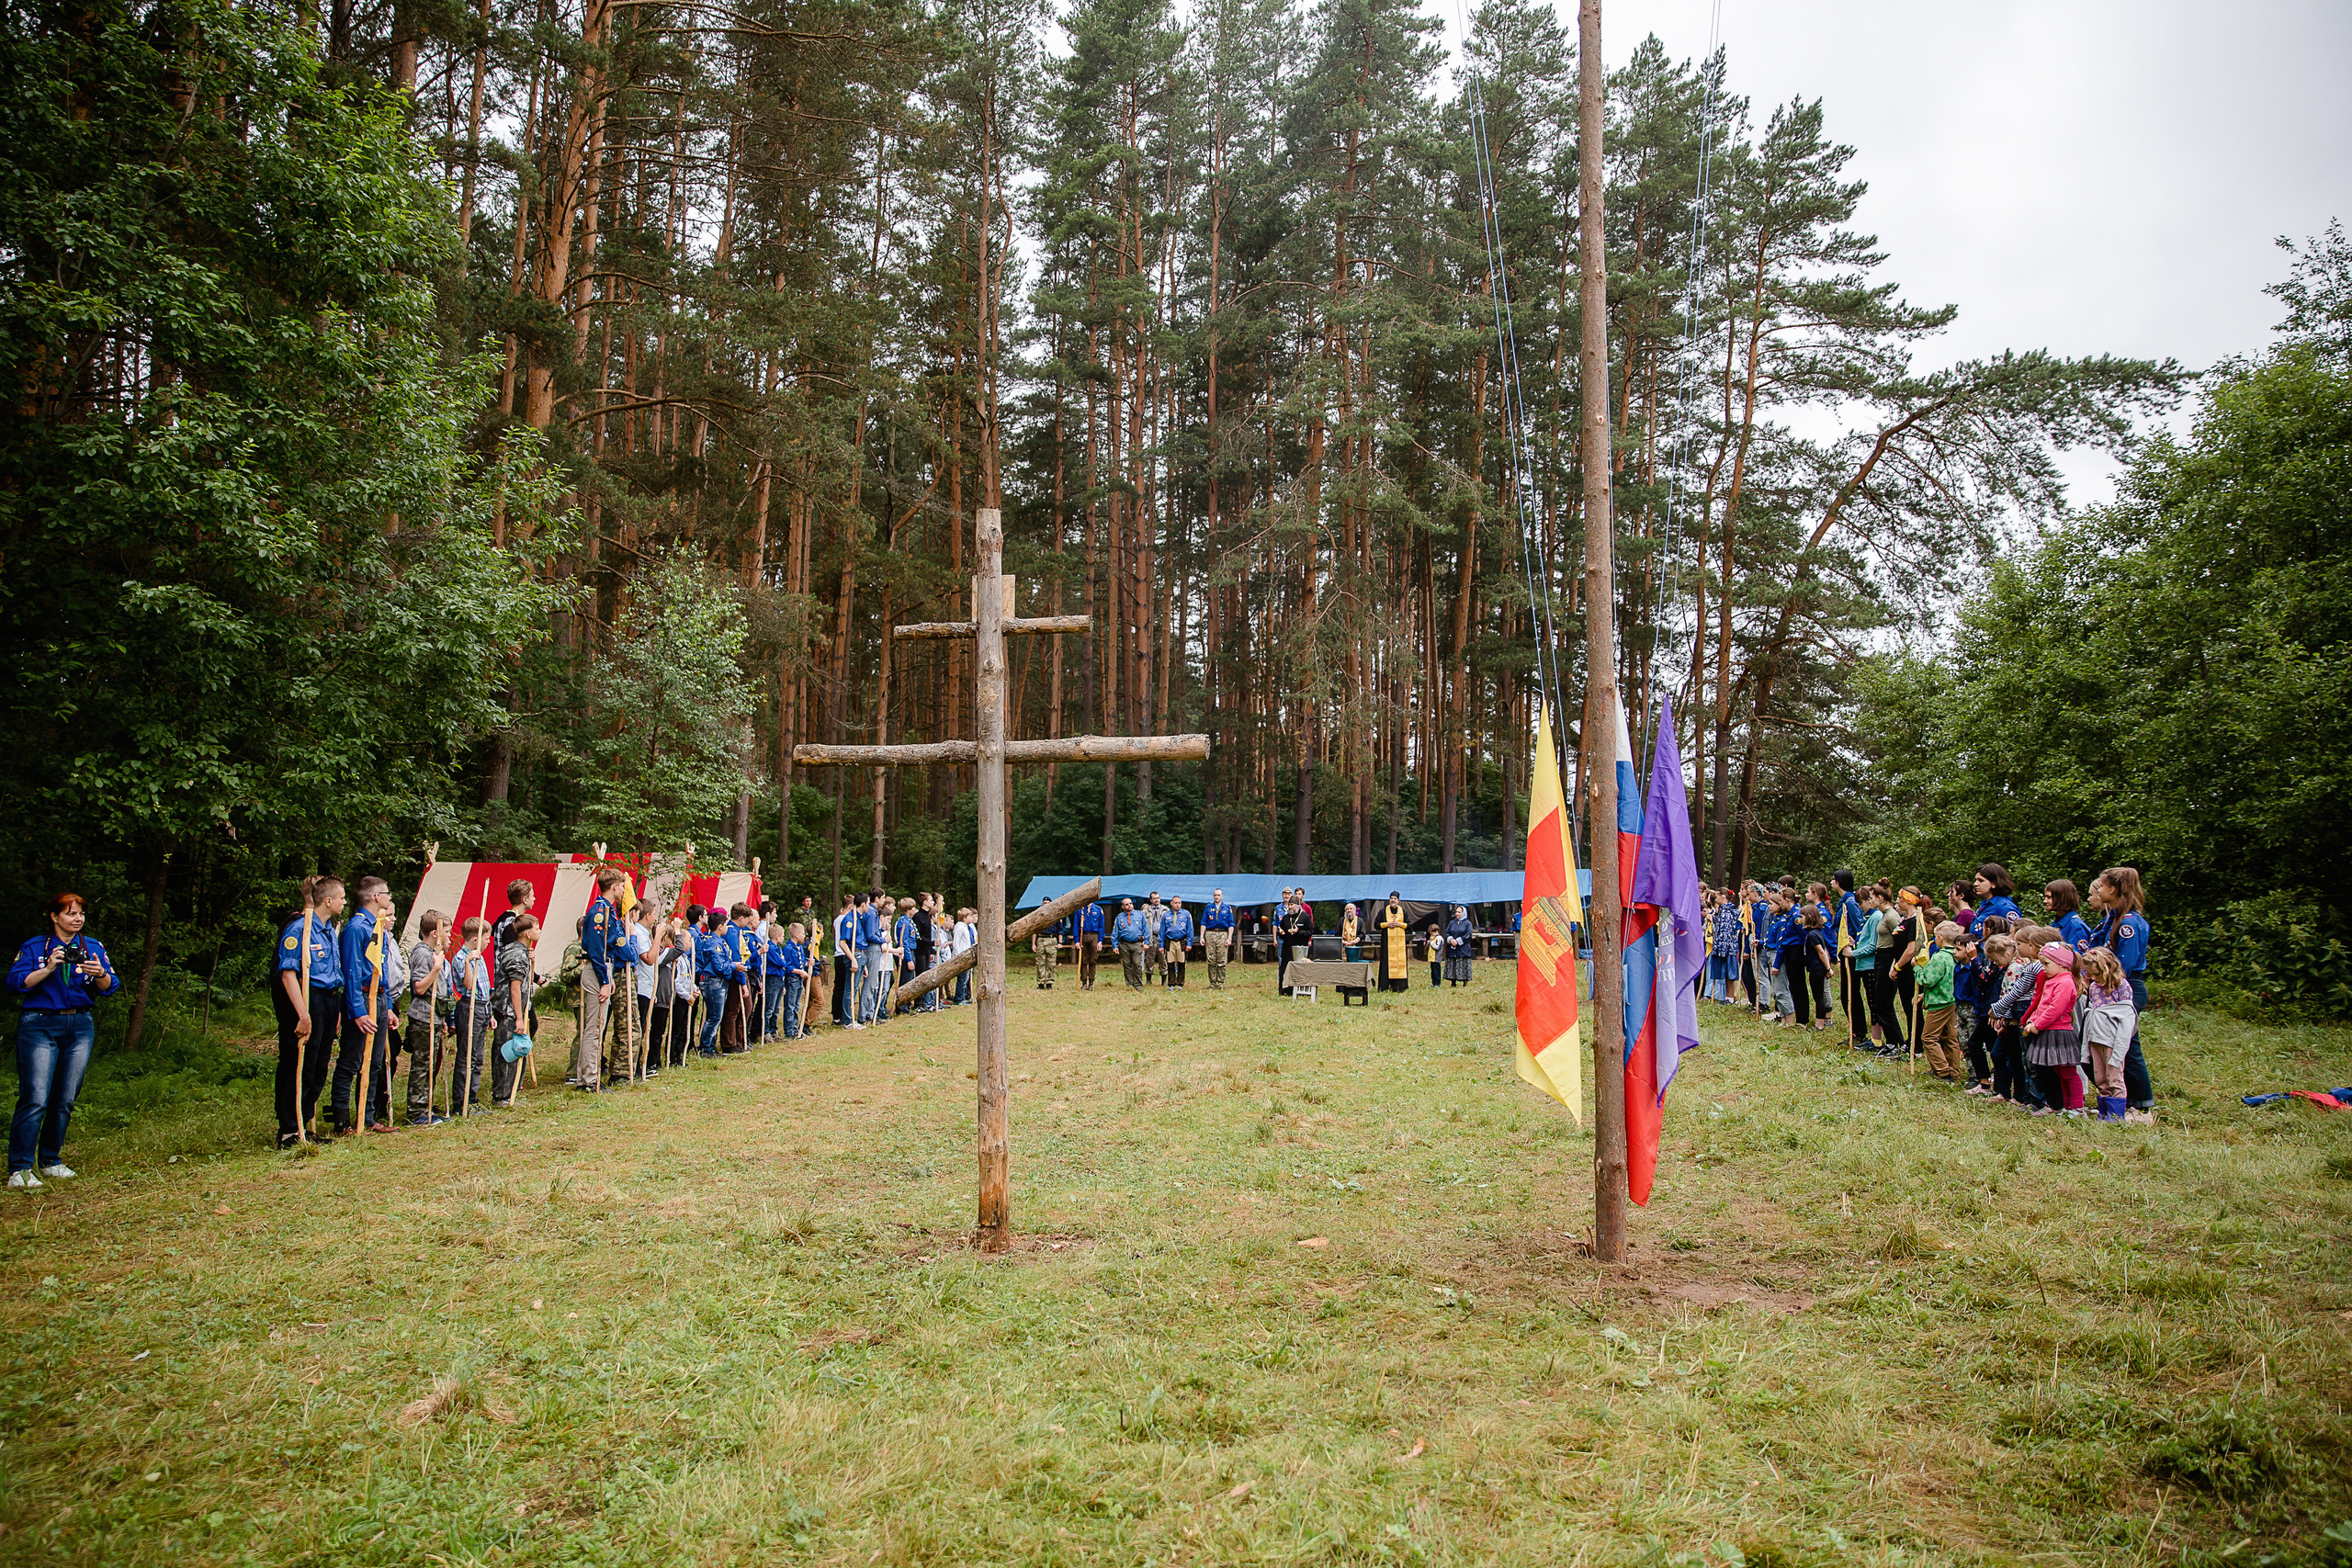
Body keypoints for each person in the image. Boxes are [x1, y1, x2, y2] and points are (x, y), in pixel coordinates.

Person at [6, 892, 119, 1186]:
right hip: (40, 1024)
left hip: (80, 1025)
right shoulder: (35, 947)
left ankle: (50, 1161)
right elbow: (16, 983)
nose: (77, 919)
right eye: (70, 914)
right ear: (54, 917)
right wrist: (48, 968)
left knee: (65, 1098)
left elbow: (110, 986)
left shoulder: (92, 947)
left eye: (81, 914)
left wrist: (99, 973)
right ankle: (19, 1169)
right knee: (35, 1097)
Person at [272, 876, 345, 1147]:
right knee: (299, 1065)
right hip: (308, 1000)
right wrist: (303, 1015)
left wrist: (335, 1012)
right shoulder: (299, 930)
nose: (344, 902)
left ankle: (305, 1124)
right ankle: (290, 1130)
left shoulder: (329, 929)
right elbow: (288, 975)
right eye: (341, 897)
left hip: (329, 1001)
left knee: (318, 1066)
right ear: (328, 901)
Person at [2087, 866, 2155, 1122]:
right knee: (2106, 1048)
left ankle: (2142, 1105)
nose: (2098, 890)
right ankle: (2118, 1103)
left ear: (2113, 889)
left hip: (2124, 989)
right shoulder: (2114, 918)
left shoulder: (2129, 924)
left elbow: (2121, 967)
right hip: (2107, 988)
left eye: (2102, 886)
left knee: (2127, 1048)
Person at [334, 876, 399, 1134]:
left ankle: (368, 1117)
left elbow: (381, 969)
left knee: (374, 1061)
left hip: (380, 997)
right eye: (387, 894)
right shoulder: (356, 928)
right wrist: (357, 1011)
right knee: (351, 1060)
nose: (389, 899)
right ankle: (341, 1120)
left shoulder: (378, 926)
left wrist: (390, 1005)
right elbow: (350, 971)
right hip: (361, 997)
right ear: (376, 897)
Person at [572, 866, 626, 1090]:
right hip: (596, 971)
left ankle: (586, 1077)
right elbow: (596, 950)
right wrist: (604, 980)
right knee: (595, 1028)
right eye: (622, 886)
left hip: (604, 969)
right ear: (613, 887)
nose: (624, 890)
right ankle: (589, 1079)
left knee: (596, 1027)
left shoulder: (608, 910)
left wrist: (609, 977)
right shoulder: (599, 912)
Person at [2023, 942, 2085, 1116]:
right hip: (2049, 1031)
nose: (2043, 969)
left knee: (2068, 1072)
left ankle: (2077, 1106)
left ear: (2062, 964)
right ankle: (2065, 1106)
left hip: (2060, 1032)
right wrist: (2032, 1019)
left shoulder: (2065, 983)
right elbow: (2043, 1005)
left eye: (2046, 964)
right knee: (2058, 1071)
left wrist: (2037, 1024)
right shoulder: (2053, 980)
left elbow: (2055, 1009)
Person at [441, 917, 494, 1113]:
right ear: (475, 940)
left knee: (477, 1057)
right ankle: (461, 1102)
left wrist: (490, 1014)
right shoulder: (460, 958)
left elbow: (484, 987)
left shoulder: (479, 956)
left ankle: (472, 1098)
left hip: (482, 1006)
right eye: (486, 938)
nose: (489, 942)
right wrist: (468, 963)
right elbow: (469, 985)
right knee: (467, 1056)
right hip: (468, 1006)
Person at [2078, 946, 2136, 1122]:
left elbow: (2126, 1017)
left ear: (2107, 969)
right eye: (2090, 975)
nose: (2093, 979)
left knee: (2114, 1076)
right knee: (2100, 1076)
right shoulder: (2095, 987)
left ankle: (2117, 1115)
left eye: (2096, 974)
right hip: (2095, 1037)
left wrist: (2120, 1046)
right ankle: (2104, 1111)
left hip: (2112, 1040)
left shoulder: (2122, 987)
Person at [403, 912, 450, 1126]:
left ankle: (426, 1106)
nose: (450, 937)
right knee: (422, 1065)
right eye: (447, 932)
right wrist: (436, 968)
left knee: (430, 1064)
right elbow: (420, 987)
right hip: (423, 1018)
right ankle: (416, 1112)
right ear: (435, 933)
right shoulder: (423, 954)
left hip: (434, 1017)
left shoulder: (432, 953)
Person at [490, 914, 538, 1106]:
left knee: (517, 1050)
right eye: (537, 927)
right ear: (528, 933)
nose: (539, 931)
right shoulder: (516, 954)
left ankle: (510, 1092)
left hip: (516, 1010)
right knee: (507, 1051)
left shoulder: (522, 952)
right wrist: (519, 1017)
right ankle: (501, 1095)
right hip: (509, 1010)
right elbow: (515, 987)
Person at [1913, 922, 1962, 1079]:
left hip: (1939, 1002)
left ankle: (1943, 1070)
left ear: (1940, 938)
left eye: (1935, 937)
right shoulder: (1955, 955)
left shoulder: (1940, 957)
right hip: (1951, 1000)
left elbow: (1927, 979)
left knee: (1928, 1037)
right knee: (1950, 1037)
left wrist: (1916, 968)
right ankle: (1954, 1070)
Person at [856, 891, 891, 1027]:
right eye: (882, 898)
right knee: (871, 983)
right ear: (876, 899)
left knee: (874, 983)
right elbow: (871, 935)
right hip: (872, 949)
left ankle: (870, 1012)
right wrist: (883, 939)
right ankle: (865, 1014)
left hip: (873, 948)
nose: (884, 901)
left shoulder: (873, 913)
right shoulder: (870, 913)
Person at [779, 922, 812, 1039]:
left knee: (796, 1005)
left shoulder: (799, 947)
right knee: (790, 1005)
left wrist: (807, 963)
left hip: (798, 980)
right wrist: (799, 971)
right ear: (797, 935)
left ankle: (795, 1028)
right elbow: (787, 967)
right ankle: (789, 1031)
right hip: (792, 980)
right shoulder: (788, 948)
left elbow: (801, 962)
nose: (804, 936)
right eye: (802, 934)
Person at [1968, 863, 2020, 936]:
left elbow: (2015, 934)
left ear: (1994, 883)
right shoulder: (1985, 905)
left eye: (1981, 880)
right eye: (1976, 880)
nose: (1975, 884)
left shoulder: (2004, 906)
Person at [2044, 879, 2092, 953]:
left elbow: (2078, 958)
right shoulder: (2057, 924)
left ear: (2061, 898)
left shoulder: (2076, 927)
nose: (2045, 901)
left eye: (2049, 897)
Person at [1278, 893, 1311, 996]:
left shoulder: (1305, 917)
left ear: (1298, 905)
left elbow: (1310, 932)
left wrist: (1298, 932)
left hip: (1300, 948)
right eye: (1289, 905)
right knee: (1285, 968)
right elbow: (1282, 931)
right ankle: (1284, 989)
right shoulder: (1286, 918)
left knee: (1300, 969)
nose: (1290, 907)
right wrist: (1281, 933)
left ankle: (1301, 990)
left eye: (1292, 905)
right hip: (1287, 948)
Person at [831, 897, 858, 1026]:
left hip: (840, 954)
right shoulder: (846, 919)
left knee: (839, 986)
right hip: (843, 953)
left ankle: (837, 1013)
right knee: (842, 986)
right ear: (851, 907)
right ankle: (839, 1014)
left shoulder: (838, 919)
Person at [1375, 895, 1409, 993]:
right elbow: (1376, 924)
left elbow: (1410, 925)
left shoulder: (1403, 911)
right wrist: (1387, 924)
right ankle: (1385, 986)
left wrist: (1400, 924)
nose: (1393, 900)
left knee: (1400, 963)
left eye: (1395, 898)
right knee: (1386, 963)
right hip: (1387, 943)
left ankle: (1400, 986)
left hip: (1400, 945)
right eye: (1391, 898)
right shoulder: (1383, 911)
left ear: (1398, 901)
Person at [1202, 891, 1235, 989]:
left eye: (1218, 895)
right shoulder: (1208, 908)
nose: (1217, 897)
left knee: (1222, 959)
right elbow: (1203, 923)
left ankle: (1220, 982)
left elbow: (1231, 924)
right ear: (1213, 896)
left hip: (1222, 934)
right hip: (1210, 934)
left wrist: (1229, 938)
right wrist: (1201, 937)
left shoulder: (1227, 908)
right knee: (1211, 960)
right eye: (1215, 895)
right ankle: (1212, 982)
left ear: (1222, 896)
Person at [1113, 898, 1148, 989]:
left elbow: (1146, 929)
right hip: (1124, 944)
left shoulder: (1140, 915)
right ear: (1123, 906)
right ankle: (1129, 984)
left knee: (1137, 964)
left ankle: (1138, 984)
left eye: (1131, 903)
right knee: (1127, 965)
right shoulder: (1119, 917)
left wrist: (1146, 942)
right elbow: (1115, 932)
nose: (1129, 905)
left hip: (1137, 943)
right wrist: (1114, 945)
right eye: (1127, 904)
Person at [1162, 897, 1194, 988]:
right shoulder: (1166, 915)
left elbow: (1190, 929)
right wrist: (1161, 945)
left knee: (1181, 963)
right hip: (1170, 941)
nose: (1177, 905)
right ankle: (1171, 983)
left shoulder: (1186, 914)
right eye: (1175, 903)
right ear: (1171, 903)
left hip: (1182, 941)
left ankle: (1180, 983)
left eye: (1179, 903)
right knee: (1170, 963)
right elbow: (1162, 930)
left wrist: (1189, 943)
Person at [1077, 898, 1106, 991]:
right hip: (1083, 935)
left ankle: (1091, 982)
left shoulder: (1098, 909)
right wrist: (1077, 940)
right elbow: (1075, 926)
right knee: (1083, 960)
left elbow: (1101, 926)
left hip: (1094, 935)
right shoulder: (1080, 910)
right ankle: (1084, 982)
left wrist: (1100, 941)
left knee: (1093, 959)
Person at [1443, 906, 1476, 986]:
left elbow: (1469, 934)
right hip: (1453, 948)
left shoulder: (1467, 923)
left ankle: (1464, 982)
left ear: (1463, 913)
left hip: (1463, 948)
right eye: (1456, 912)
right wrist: (1451, 940)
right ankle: (1453, 982)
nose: (1457, 914)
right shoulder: (1452, 923)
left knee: (1463, 964)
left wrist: (1458, 941)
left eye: (1459, 912)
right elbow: (1447, 932)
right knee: (1453, 964)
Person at [1033, 907, 1062, 990]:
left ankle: (1049, 983)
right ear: (1042, 904)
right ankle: (1040, 983)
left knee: (1051, 963)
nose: (1046, 904)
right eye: (1045, 903)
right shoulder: (1038, 915)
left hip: (1052, 939)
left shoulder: (1056, 915)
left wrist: (1060, 942)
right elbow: (1034, 931)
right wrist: (1033, 944)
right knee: (1040, 962)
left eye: (1048, 903)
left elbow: (1060, 930)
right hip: (1041, 939)